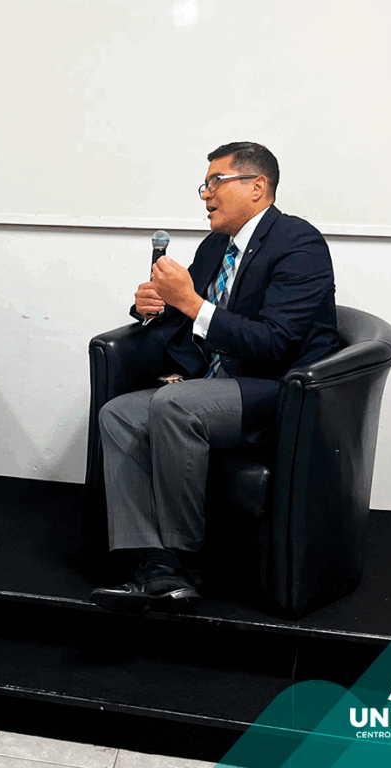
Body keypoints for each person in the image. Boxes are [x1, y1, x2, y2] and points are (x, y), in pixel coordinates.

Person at [90, 142, 339, 614]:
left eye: (215, 182)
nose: (205, 195)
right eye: (203, 185)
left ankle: (185, 560)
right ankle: (153, 563)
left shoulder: (299, 243)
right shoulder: (215, 247)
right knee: (119, 413)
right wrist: (152, 307)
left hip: (279, 388)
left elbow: (275, 343)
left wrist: (189, 301)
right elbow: (186, 316)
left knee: (174, 406)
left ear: (257, 186)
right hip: (217, 383)